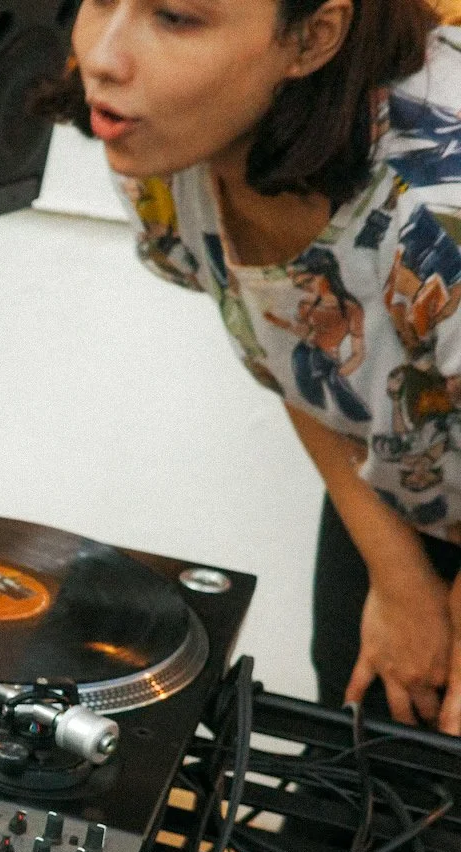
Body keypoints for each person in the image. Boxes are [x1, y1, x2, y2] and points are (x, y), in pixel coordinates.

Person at [49, 0, 461, 727]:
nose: (103, 59)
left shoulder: (439, 209)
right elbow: (299, 353)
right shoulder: (163, 145)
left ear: (312, 38)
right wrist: (398, 578)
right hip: (409, 491)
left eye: (175, 18)